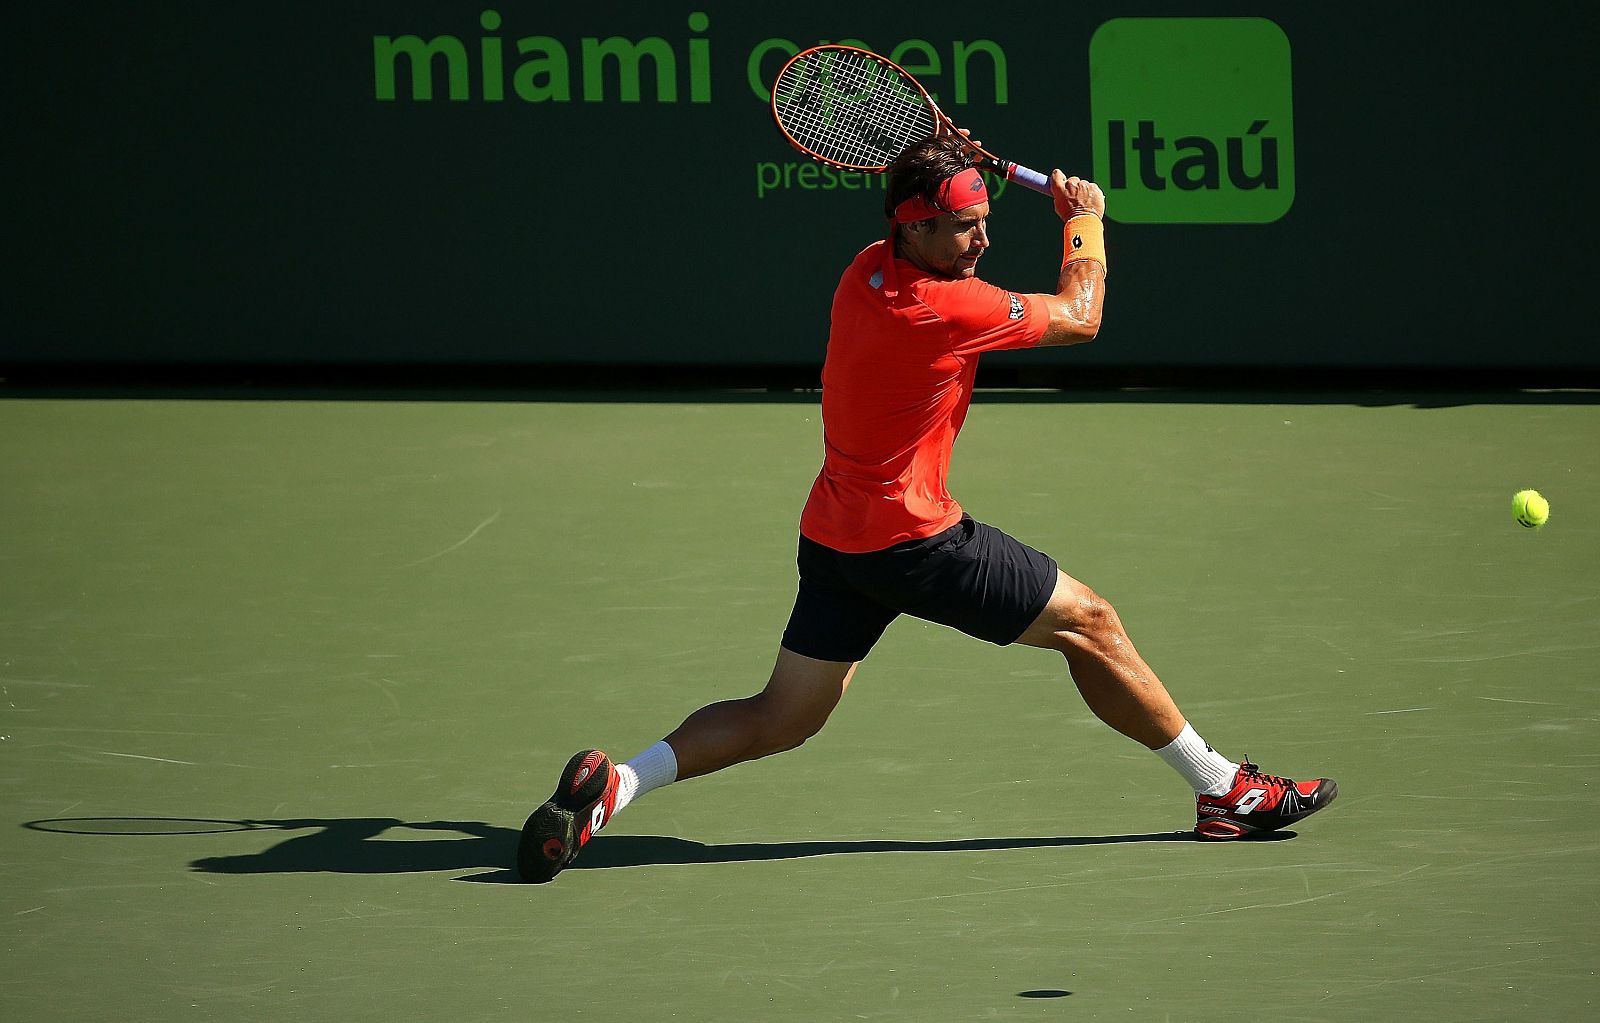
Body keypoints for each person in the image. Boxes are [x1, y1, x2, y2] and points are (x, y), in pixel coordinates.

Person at [518, 134, 1337, 883]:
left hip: (837, 538)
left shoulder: (864, 268)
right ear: (911, 229)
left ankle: (614, 786)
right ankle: (1225, 790)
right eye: (961, 228)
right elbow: (1082, 316)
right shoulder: (944, 309)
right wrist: (1084, 222)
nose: (980, 241)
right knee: (1092, 622)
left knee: (783, 716)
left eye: (984, 220)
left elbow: (962, 259)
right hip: (916, 543)